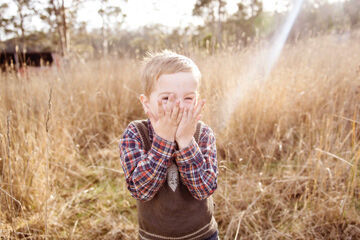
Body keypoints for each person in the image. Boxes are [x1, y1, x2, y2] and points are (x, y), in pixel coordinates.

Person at [118, 50, 219, 240]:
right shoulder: (135, 134)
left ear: (197, 101)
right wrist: (163, 140)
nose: (178, 106)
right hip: (154, 237)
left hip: (203, 235)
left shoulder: (203, 134)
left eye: (188, 98)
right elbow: (141, 190)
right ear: (146, 104)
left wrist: (186, 142)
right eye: (166, 98)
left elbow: (204, 189)